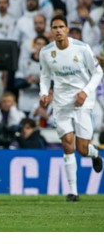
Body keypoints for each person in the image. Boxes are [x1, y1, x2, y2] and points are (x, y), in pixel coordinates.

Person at [39, 14, 103, 202]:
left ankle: (95, 153)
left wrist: (85, 92)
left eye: (61, 27)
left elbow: (98, 72)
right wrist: (44, 92)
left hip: (83, 102)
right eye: (54, 28)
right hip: (61, 103)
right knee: (67, 142)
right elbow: (44, 76)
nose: (58, 31)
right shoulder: (46, 52)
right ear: (51, 31)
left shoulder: (82, 48)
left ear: (67, 29)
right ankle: (73, 192)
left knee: (82, 149)